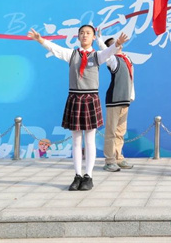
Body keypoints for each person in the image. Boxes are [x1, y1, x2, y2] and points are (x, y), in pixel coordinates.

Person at [28, 25, 128, 191]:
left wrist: (117, 44)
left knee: (89, 140)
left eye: (88, 33)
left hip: (90, 99)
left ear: (94, 37)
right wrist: (40, 40)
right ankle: (77, 175)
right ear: (78, 36)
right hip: (75, 97)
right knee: (76, 140)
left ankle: (88, 176)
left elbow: (109, 52)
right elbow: (55, 49)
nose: (84, 35)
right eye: (82, 33)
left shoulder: (97, 56)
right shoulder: (72, 54)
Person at [102, 37, 135, 172]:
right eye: (115, 44)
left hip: (125, 99)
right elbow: (106, 52)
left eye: (119, 43)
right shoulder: (112, 60)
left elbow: (131, 79)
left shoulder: (127, 59)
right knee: (111, 132)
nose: (119, 45)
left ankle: (118, 158)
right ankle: (109, 161)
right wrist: (99, 41)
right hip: (114, 99)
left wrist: (131, 95)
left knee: (120, 132)